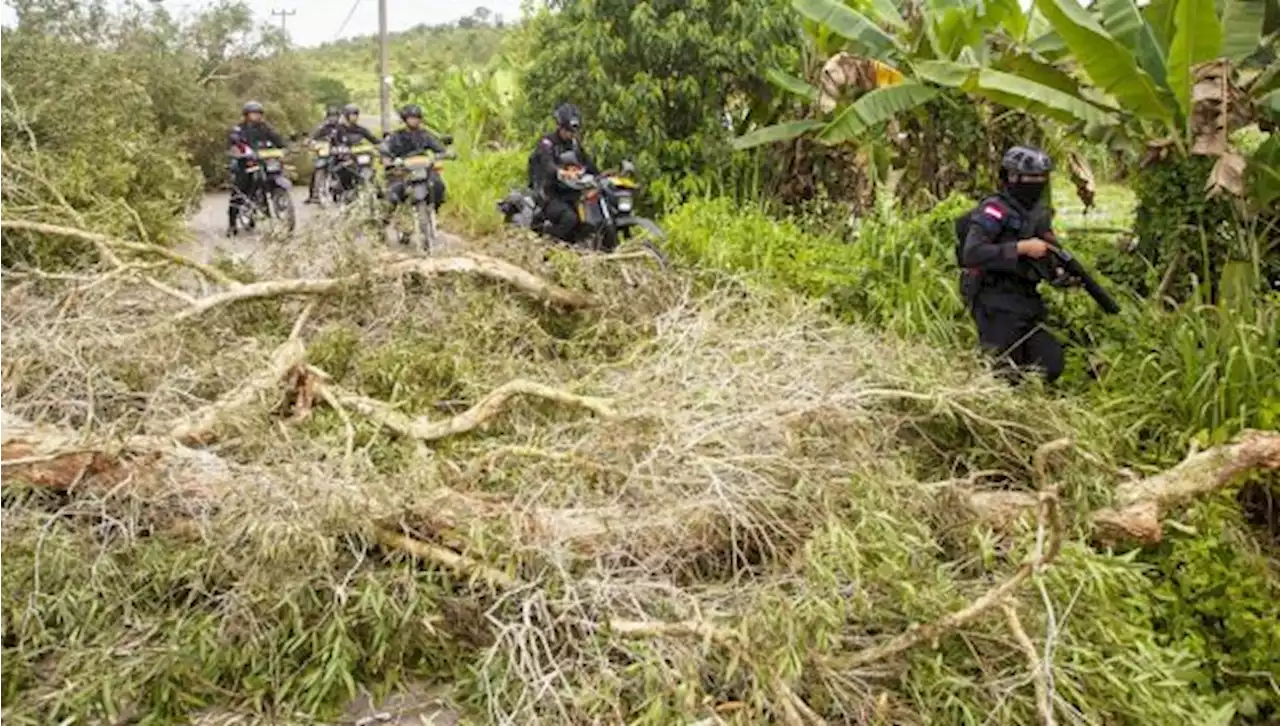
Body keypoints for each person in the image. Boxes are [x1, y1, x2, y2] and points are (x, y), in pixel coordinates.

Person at [957, 145, 1064, 383]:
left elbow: (1048, 254)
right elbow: (972, 253)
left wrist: (1058, 273)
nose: (1036, 183)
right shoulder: (994, 210)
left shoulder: (1037, 213)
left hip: (1027, 301)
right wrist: (1021, 248)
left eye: (1041, 178)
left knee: (1051, 363)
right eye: (1031, 177)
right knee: (1005, 374)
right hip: (994, 301)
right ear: (1012, 178)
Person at [528, 102, 598, 243]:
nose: (571, 134)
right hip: (549, 194)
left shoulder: (574, 144)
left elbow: (588, 164)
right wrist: (562, 172)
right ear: (560, 127)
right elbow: (548, 165)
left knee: (587, 218)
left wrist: (603, 175)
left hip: (571, 194)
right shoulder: (547, 143)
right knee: (569, 218)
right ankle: (548, 240)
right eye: (568, 131)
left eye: (574, 131)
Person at [379, 104, 452, 228]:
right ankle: (382, 224)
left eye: (417, 117)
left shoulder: (425, 134)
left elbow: (439, 148)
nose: (414, 120)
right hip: (402, 171)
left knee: (438, 185)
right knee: (393, 194)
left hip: (424, 170)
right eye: (411, 117)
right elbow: (385, 148)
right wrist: (387, 159)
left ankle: (434, 211)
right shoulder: (396, 136)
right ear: (405, 119)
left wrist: (446, 153)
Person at [226, 100, 286, 236]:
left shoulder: (265, 127)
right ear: (246, 115)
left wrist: (284, 146)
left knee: (274, 175)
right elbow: (234, 141)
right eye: (253, 114)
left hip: (264, 162)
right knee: (239, 191)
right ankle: (231, 224)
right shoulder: (239, 129)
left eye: (258, 114)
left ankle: (272, 204)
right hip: (246, 164)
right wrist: (240, 150)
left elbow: (277, 138)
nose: (256, 116)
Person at [305, 106, 342, 204]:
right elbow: (313, 137)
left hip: (339, 153)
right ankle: (313, 194)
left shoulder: (341, 127)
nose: (333, 118)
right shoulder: (322, 127)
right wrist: (310, 141)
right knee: (316, 170)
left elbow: (347, 137)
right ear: (327, 117)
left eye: (335, 116)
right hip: (325, 153)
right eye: (331, 116)